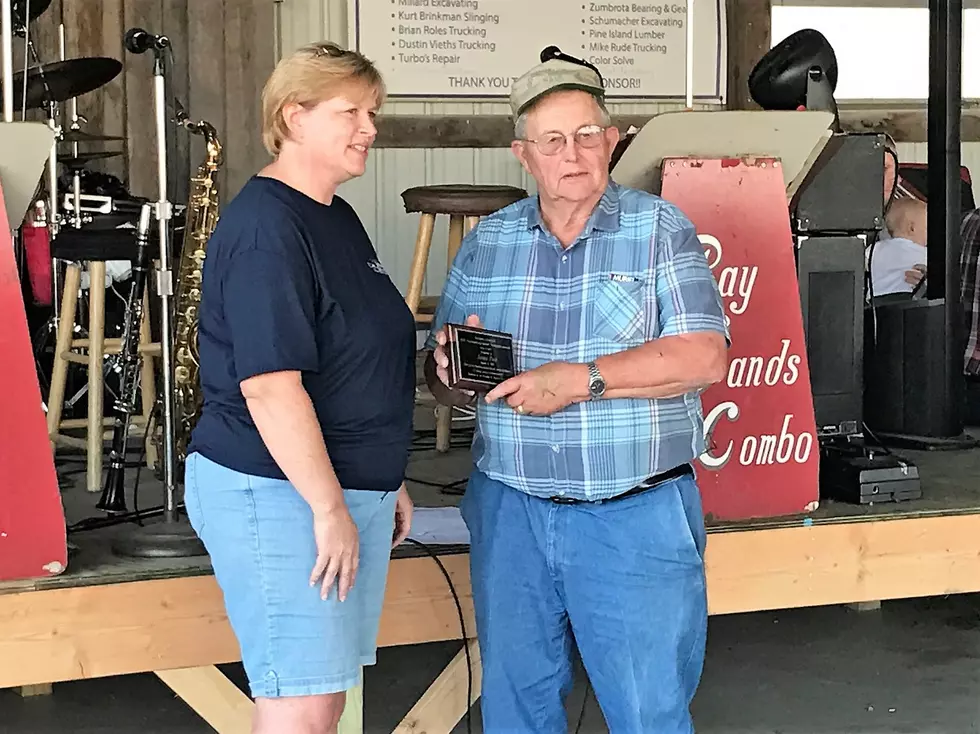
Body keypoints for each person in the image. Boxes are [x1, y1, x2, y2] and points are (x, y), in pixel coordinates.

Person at [424, 55, 729, 733]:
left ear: (612, 140)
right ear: (522, 155)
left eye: (588, 135)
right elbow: (442, 380)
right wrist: (448, 368)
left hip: (634, 514)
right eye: (553, 141)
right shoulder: (489, 243)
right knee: (515, 709)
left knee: (648, 712)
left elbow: (704, 356)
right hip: (511, 512)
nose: (573, 154)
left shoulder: (659, 230)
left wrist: (585, 380)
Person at [183, 42, 416, 734]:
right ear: (293, 115)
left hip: (340, 487)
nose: (369, 128)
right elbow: (270, 388)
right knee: (299, 708)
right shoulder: (267, 228)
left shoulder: (333, 215)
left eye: (372, 112)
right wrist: (328, 506)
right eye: (351, 112)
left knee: (324, 698)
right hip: (278, 492)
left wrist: (384, 475)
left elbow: (351, 360)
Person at [869, 197, 928, 297]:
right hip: (905, 299)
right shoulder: (925, 253)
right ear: (912, 228)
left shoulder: (875, 248)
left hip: (875, 300)